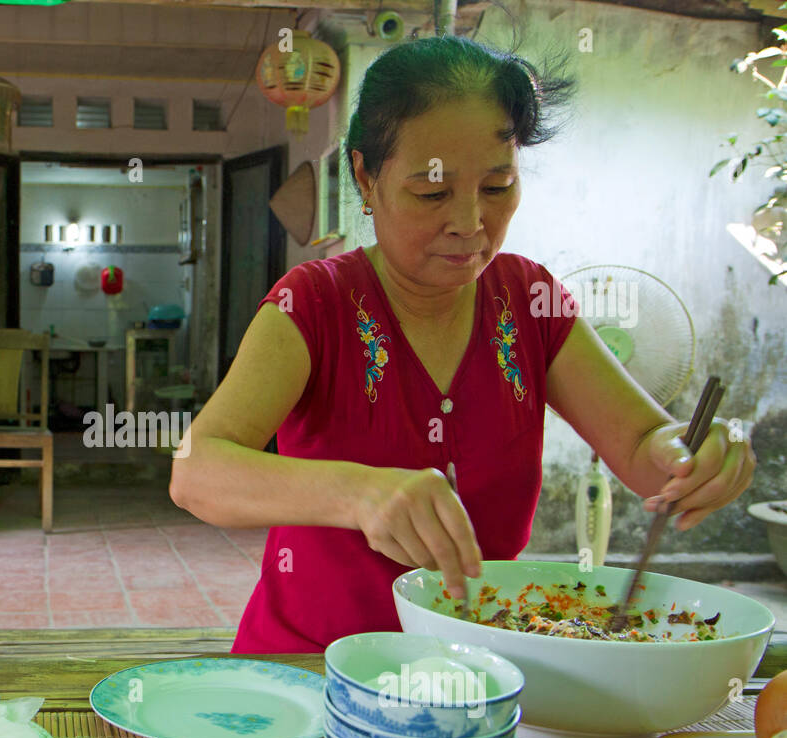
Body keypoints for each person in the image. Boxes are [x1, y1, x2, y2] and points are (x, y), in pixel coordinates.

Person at [169, 35, 756, 654]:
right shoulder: (314, 303)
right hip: (310, 676)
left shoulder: (530, 300)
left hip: (477, 675)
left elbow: (643, 445)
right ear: (365, 177)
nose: (471, 222)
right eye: (432, 192)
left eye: (498, 187)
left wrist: (698, 453)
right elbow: (197, 471)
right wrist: (361, 493)